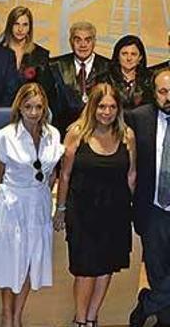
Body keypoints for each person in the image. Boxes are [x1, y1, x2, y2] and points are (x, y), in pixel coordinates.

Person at [54, 83, 136, 327]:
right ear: (92, 106)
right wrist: (61, 208)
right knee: (85, 268)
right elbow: (64, 175)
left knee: (106, 266)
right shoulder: (76, 133)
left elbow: (132, 175)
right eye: (102, 106)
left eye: (112, 107)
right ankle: (80, 319)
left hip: (115, 211)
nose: (107, 112)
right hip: (82, 212)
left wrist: (131, 210)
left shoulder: (127, 135)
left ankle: (91, 317)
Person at [0, 83, 65, 327]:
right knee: (12, 263)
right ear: (19, 107)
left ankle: (18, 315)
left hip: (39, 204)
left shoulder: (53, 135)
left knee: (31, 261)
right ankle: (8, 316)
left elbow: (52, 175)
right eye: (28, 107)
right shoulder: (6, 135)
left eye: (38, 107)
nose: (33, 112)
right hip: (11, 206)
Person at [127, 70, 170, 327]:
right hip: (153, 208)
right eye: (163, 92)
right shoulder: (138, 118)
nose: (168, 97)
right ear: (153, 93)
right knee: (156, 270)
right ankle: (163, 316)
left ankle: (147, 304)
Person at [48, 21, 110, 134]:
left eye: (88, 40)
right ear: (71, 42)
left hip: (100, 133)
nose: (83, 45)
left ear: (94, 42)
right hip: (62, 133)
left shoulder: (108, 67)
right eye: (78, 40)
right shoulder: (54, 67)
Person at [94, 35, 153, 110]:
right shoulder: (105, 79)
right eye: (124, 54)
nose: (129, 58)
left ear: (140, 58)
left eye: (133, 54)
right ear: (117, 56)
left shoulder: (149, 79)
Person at [0, 6, 51, 87]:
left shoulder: (40, 54)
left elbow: (45, 89)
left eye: (25, 25)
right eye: (16, 24)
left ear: (30, 28)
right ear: (10, 25)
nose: (20, 29)